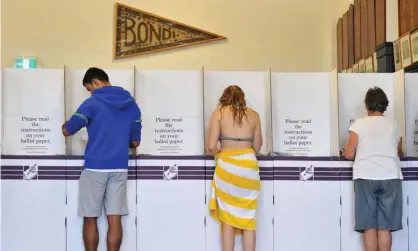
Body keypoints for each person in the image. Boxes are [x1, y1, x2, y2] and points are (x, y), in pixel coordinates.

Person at [61, 67, 142, 251]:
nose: (90, 92)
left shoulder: (92, 103)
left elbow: (68, 130)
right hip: (119, 168)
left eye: (89, 88)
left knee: (90, 217)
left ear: (95, 82)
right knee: (115, 219)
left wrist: (64, 125)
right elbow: (135, 142)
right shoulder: (131, 104)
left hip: (95, 167)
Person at [344, 86, 403, 251]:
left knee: (368, 226)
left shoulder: (359, 124)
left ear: (367, 105)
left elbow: (349, 153)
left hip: (365, 176)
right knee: (385, 226)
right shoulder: (394, 125)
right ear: (384, 105)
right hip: (391, 176)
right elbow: (399, 152)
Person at [206, 85, 263, 251]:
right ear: (242, 98)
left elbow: (211, 146)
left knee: (228, 218)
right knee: (249, 219)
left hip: (227, 167)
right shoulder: (254, 116)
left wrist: (219, 152)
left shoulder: (219, 114)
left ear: (224, 98)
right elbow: (258, 146)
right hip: (249, 168)